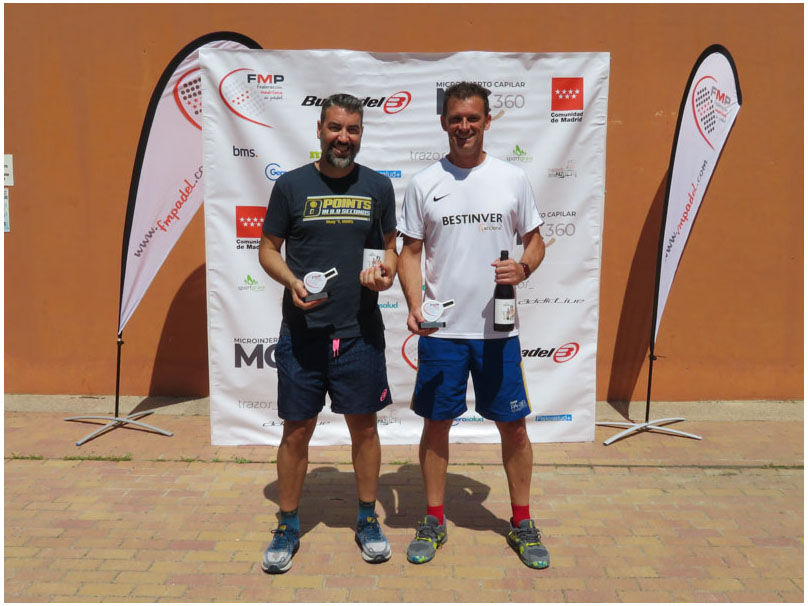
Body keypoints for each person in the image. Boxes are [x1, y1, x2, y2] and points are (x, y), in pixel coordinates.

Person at [397, 82, 549, 569]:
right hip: (442, 332)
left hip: (498, 333)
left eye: (473, 118)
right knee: (436, 425)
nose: (464, 126)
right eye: (456, 118)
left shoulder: (512, 179)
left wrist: (523, 268)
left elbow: (536, 241)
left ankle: (522, 521)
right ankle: (434, 519)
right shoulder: (424, 183)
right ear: (444, 122)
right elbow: (410, 253)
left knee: (514, 428)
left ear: (487, 121)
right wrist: (415, 304)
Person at [258, 93, 398, 573]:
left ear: (361, 133)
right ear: (319, 129)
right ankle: (287, 524)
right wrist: (291, 281)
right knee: (297, 430)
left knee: (365, 427)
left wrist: (385, 275)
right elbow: (268, 249)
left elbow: (390, 249)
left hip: (359, 332)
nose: (344, 137)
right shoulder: (291, 186)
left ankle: (367, 518)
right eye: (335, 128)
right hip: (303, 333)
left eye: (352, 129)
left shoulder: (378, 186)